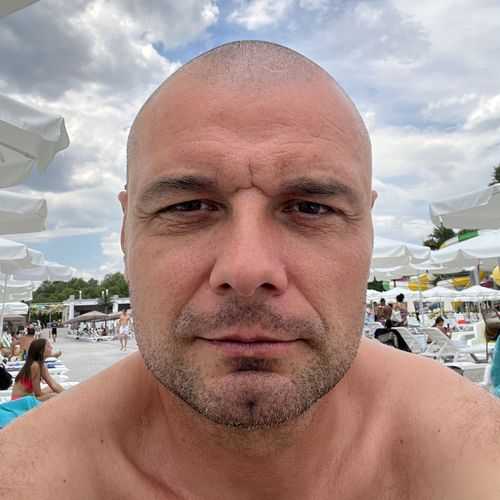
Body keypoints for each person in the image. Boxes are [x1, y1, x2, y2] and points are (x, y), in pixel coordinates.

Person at [1, 41, 500, 499]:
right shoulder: (25, 478)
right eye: (187, 206)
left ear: (367, 230)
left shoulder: (474, 455)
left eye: (311, 208)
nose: (246, 269)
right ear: (125, 232)